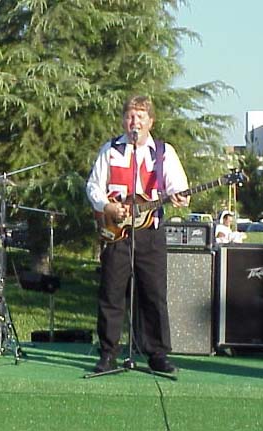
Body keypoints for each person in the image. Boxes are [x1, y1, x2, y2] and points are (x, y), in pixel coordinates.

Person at [86, 95, 190, 374]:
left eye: (141, 117)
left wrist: (179, 196)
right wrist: (108, 206)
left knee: (154, 294)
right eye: (131, 116)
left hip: (150, 234)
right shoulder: (110, 150)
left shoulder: (163, 152)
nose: (135, 122)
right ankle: (108, 353)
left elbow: (178, 185)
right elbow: (93, 187)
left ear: (150, 121)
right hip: (117, 232)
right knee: (111, 293)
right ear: (124, 120)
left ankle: (157, 353)